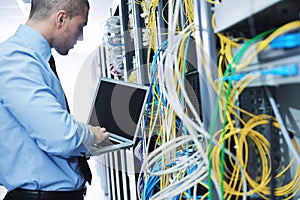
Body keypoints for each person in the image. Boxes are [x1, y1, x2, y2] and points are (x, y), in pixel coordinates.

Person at [0, 0, 109, 199]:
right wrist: (90, 135)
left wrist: (87, 144)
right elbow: (60, 135)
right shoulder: (16, 58)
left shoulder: (34, 59)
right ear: (61, 18)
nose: (81, 36)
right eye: (80, 26)